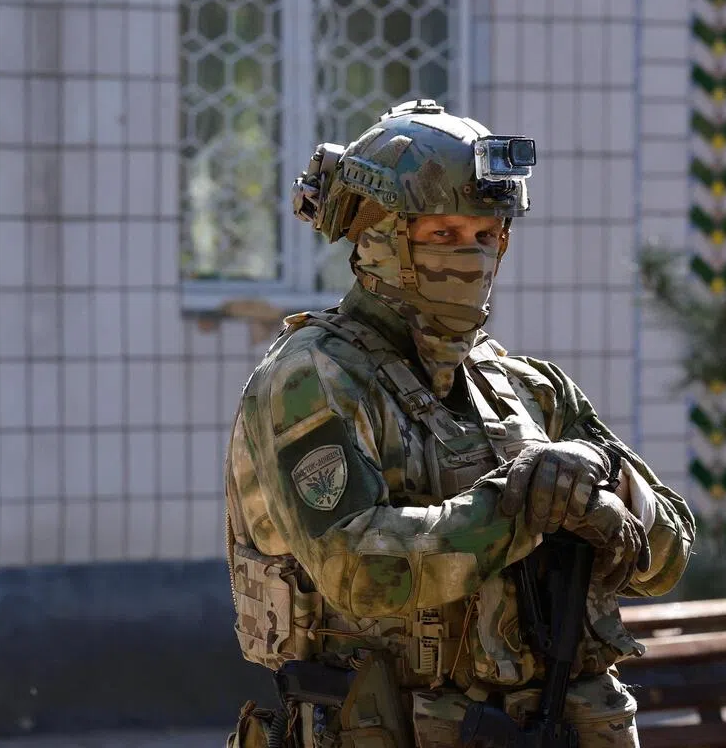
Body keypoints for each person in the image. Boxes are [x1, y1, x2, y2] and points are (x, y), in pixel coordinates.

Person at [222, 99, 694, 748]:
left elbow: (666, 559)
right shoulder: (311, 381)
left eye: (485, 235)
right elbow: (357, 570)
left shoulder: (529, 390)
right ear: (378, 236)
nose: (470, 258)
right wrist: (520, 506)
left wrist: (606, 490)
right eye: (441, 234)